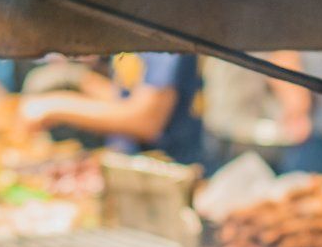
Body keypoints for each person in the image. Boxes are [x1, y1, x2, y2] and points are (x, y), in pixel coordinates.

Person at [24, 52, 207, 167]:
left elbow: (147, 121)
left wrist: (57, 105)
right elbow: (125, 98)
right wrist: (82, 81)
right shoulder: (129, 31)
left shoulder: (162, 38)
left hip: (169, 170)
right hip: (128, 164)